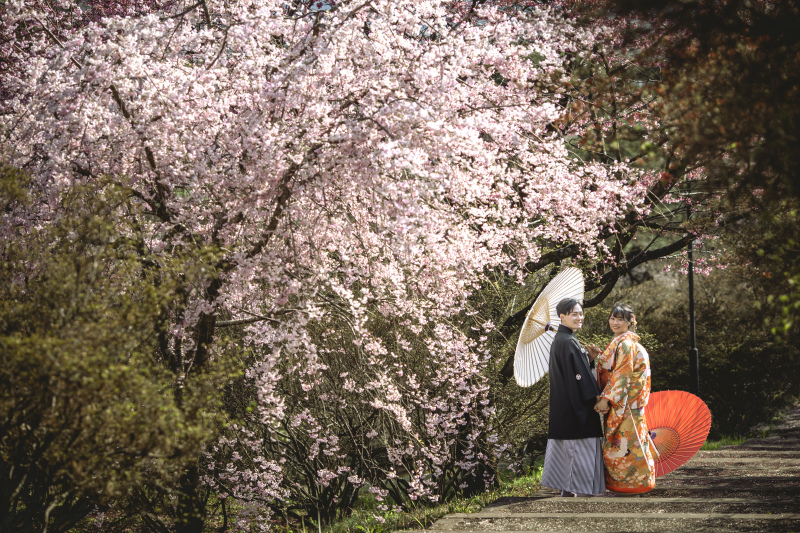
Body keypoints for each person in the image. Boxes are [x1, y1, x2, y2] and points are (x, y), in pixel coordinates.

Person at [541, 298, 605, 497]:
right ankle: (582, 491)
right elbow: (580, 378)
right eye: (574, 314)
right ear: (562, 317)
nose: (579, 318)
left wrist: (589, 359)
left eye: (580, 313)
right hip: (576, 410)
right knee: (580, 452)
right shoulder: (568, 342)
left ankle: (567, 491)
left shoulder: (561, 340)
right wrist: (596, 398)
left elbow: (575, 371)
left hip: (564, 408)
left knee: (566, 454)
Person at [592, 303, 656, 493]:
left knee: (628, 444)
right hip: (627, 403)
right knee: (630, 443)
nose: (615, 322)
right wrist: (597, 357)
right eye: (613, 318)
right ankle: (635, 482)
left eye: (620, 319)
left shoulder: (625, 343)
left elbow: (622, 374)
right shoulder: (621, 342)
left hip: (625, 405)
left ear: (630, 321)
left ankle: (632, 484)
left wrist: (606, 399)